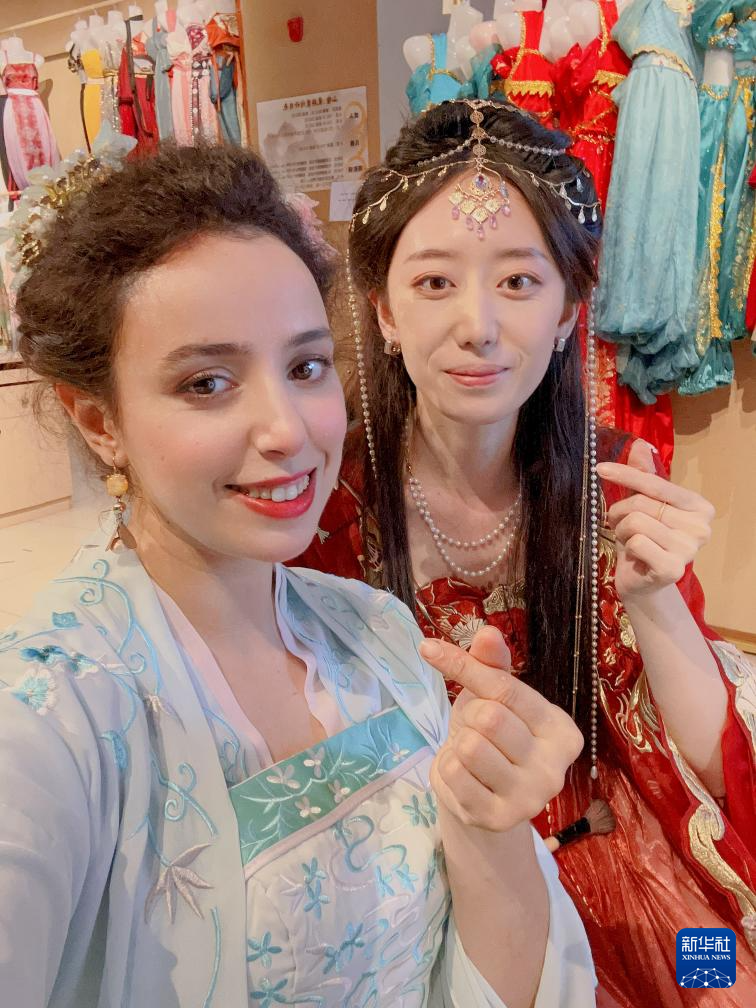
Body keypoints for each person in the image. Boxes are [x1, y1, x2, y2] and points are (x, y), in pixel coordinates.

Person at [0, 141, 594, 1007]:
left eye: (306, 367)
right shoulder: (51, 716)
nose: (288, 429)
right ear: (98, 421)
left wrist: (489, 820)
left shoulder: (378, 633)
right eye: (207, 383)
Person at [295, 98, 756, 1006]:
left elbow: (713, 764)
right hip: (421, 871)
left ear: (566, 311)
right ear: (384, 311)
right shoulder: (327, 507)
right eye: (435, 283)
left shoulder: (615, 480)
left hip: (610, 843)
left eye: (517, 281)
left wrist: (655, 597)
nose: (479, 325)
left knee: (718, 982)